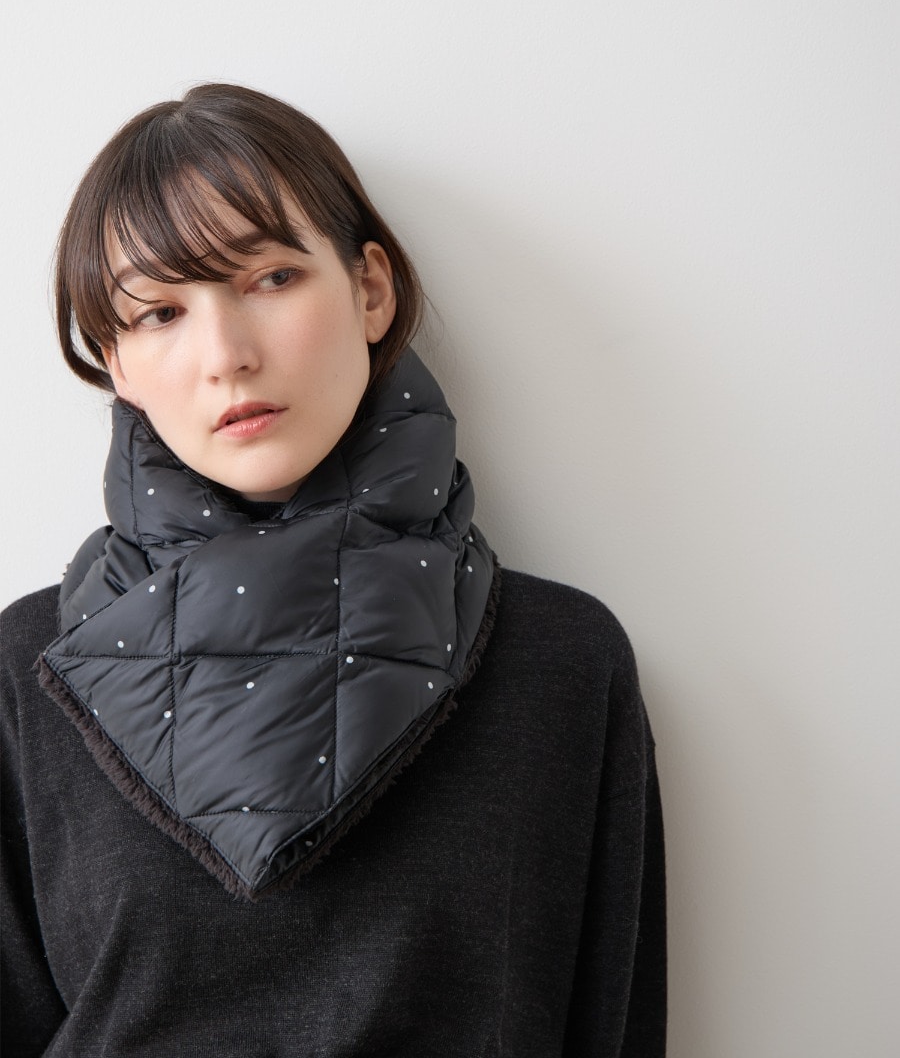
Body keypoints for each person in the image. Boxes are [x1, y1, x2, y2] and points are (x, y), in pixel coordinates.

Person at [1, 83, 666, 1056]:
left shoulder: (563, 662)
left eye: (271, 277)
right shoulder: (25, 673)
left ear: (371, 291)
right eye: (159, 312)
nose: (226, 354)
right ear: (118, 364)